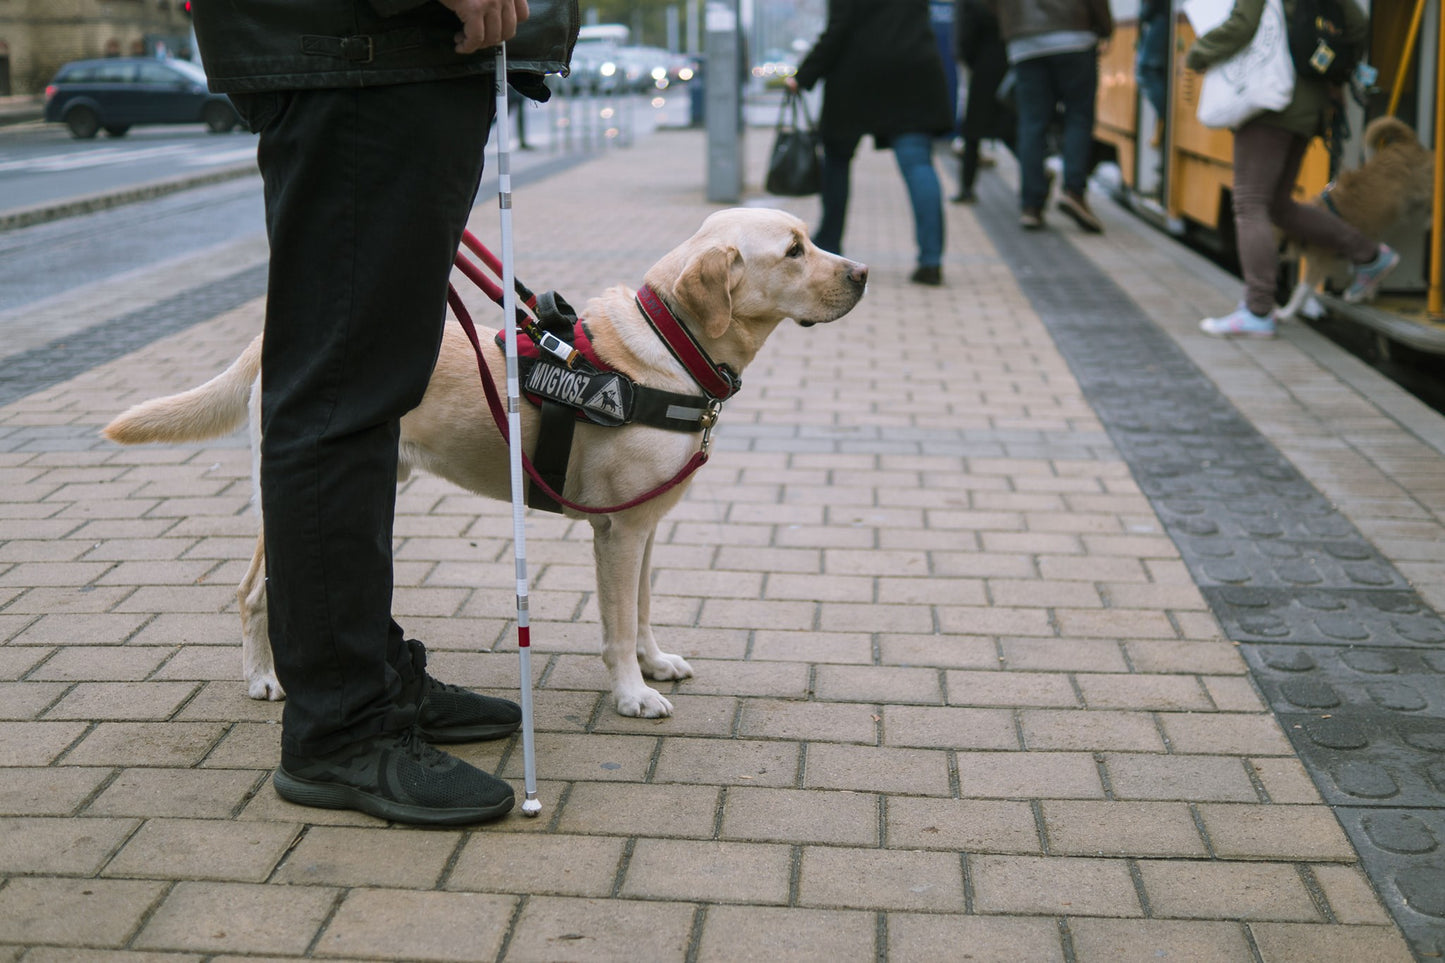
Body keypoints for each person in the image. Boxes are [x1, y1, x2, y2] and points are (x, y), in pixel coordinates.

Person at [188, 0, 571, 826]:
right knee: (341, 396)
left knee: (371, 388)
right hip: (360, 56)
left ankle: (365, 674)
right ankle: (338, 727)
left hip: (390, 55)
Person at [1187, 0, 1394, 338]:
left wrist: (1198, 53)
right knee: (1278, 205)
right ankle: (1369, 255)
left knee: (1249, 203)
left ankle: (1258, 310)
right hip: (1308, 105)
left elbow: (1242, 24)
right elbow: (1357, 24)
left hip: (1269, 102)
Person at [786, 0, 953, 286]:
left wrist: (805, 75)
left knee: (837, 161)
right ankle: (931, 261)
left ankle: (829, 248)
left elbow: (839, 28)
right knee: (917, 164)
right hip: (913, 68)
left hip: (856, 77)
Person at [988, 0, 1113, 232]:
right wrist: (1106, 28)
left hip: (1024, 42)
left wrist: (1011, 19)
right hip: (1074, 35)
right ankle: (1074, 192)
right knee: (1079, 117)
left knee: (1031, 123)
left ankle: (1031, 207)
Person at [953, 0, 1016, 204]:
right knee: (1011, 130)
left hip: (982, 66)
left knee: (973, 132)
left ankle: (966, 189)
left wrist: (968, 60)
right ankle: (1038, 175)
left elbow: (965, 36)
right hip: (1009, 63)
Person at [1137, 0, 1170, 141]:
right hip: (1162, 20)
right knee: (1154, 72)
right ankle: (1162, 115)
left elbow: (1147, 11)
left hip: (1158, 22)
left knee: (1146, 72)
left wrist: (1143, 14)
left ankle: (1164, 114)